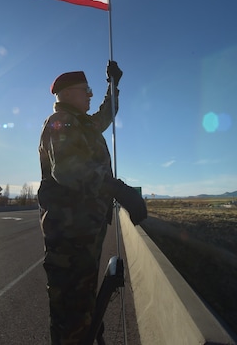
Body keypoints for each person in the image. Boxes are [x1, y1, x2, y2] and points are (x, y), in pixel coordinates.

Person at [37, 60, 147, 344]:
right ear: (69, 93)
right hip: (69, 236)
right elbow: (69, 169)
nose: (89, 94)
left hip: (83, 233)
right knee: (70, 315)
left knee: (83, 310)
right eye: (86, 90)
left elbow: (107, 114)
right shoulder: (60, 123)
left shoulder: (82, 123)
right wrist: (117, 188)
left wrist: (113, 85)